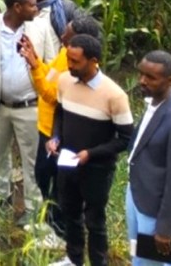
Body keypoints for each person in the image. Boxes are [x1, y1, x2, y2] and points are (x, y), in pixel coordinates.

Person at [0, 0, 58, 223]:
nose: (36, 8)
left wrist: (50, 98)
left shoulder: (40, 27)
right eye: (31, 5)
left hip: (30, 107)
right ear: (17, 7)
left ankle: (32, 207)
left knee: (30, 159)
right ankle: (1, 195)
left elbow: (52, 63)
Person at [46, 35, 133, 266]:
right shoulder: (64, 81)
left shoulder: (114, 95)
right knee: (70, 213)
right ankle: (74, 259)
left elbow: (125, 139)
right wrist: (55, 137)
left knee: (94, 220)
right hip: (67, 162)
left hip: (96, 168)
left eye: (75, 61)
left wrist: (90, 154)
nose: (70, 65)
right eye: (68, 60)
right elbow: (60, 113)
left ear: (93, 61)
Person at [21, 15, 104, 247]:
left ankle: (59, 232)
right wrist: (38, 62)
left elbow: (51, 94)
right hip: (46, 129)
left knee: (56, 184)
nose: (62, 35)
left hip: (58, 134)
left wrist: (35, 67)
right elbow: (51, 76)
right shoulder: (64, 54)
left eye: (67, 32)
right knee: (43, 176)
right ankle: (50, 221)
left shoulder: (77, 65)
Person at [125, 51, 171, 266]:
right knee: (137, 253)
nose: (142, 81)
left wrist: (165, 228)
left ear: (170, 81)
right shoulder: (155, 102)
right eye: (141, 74)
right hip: (137, 192)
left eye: (151, 78)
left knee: (146, 262)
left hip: (154, 206)